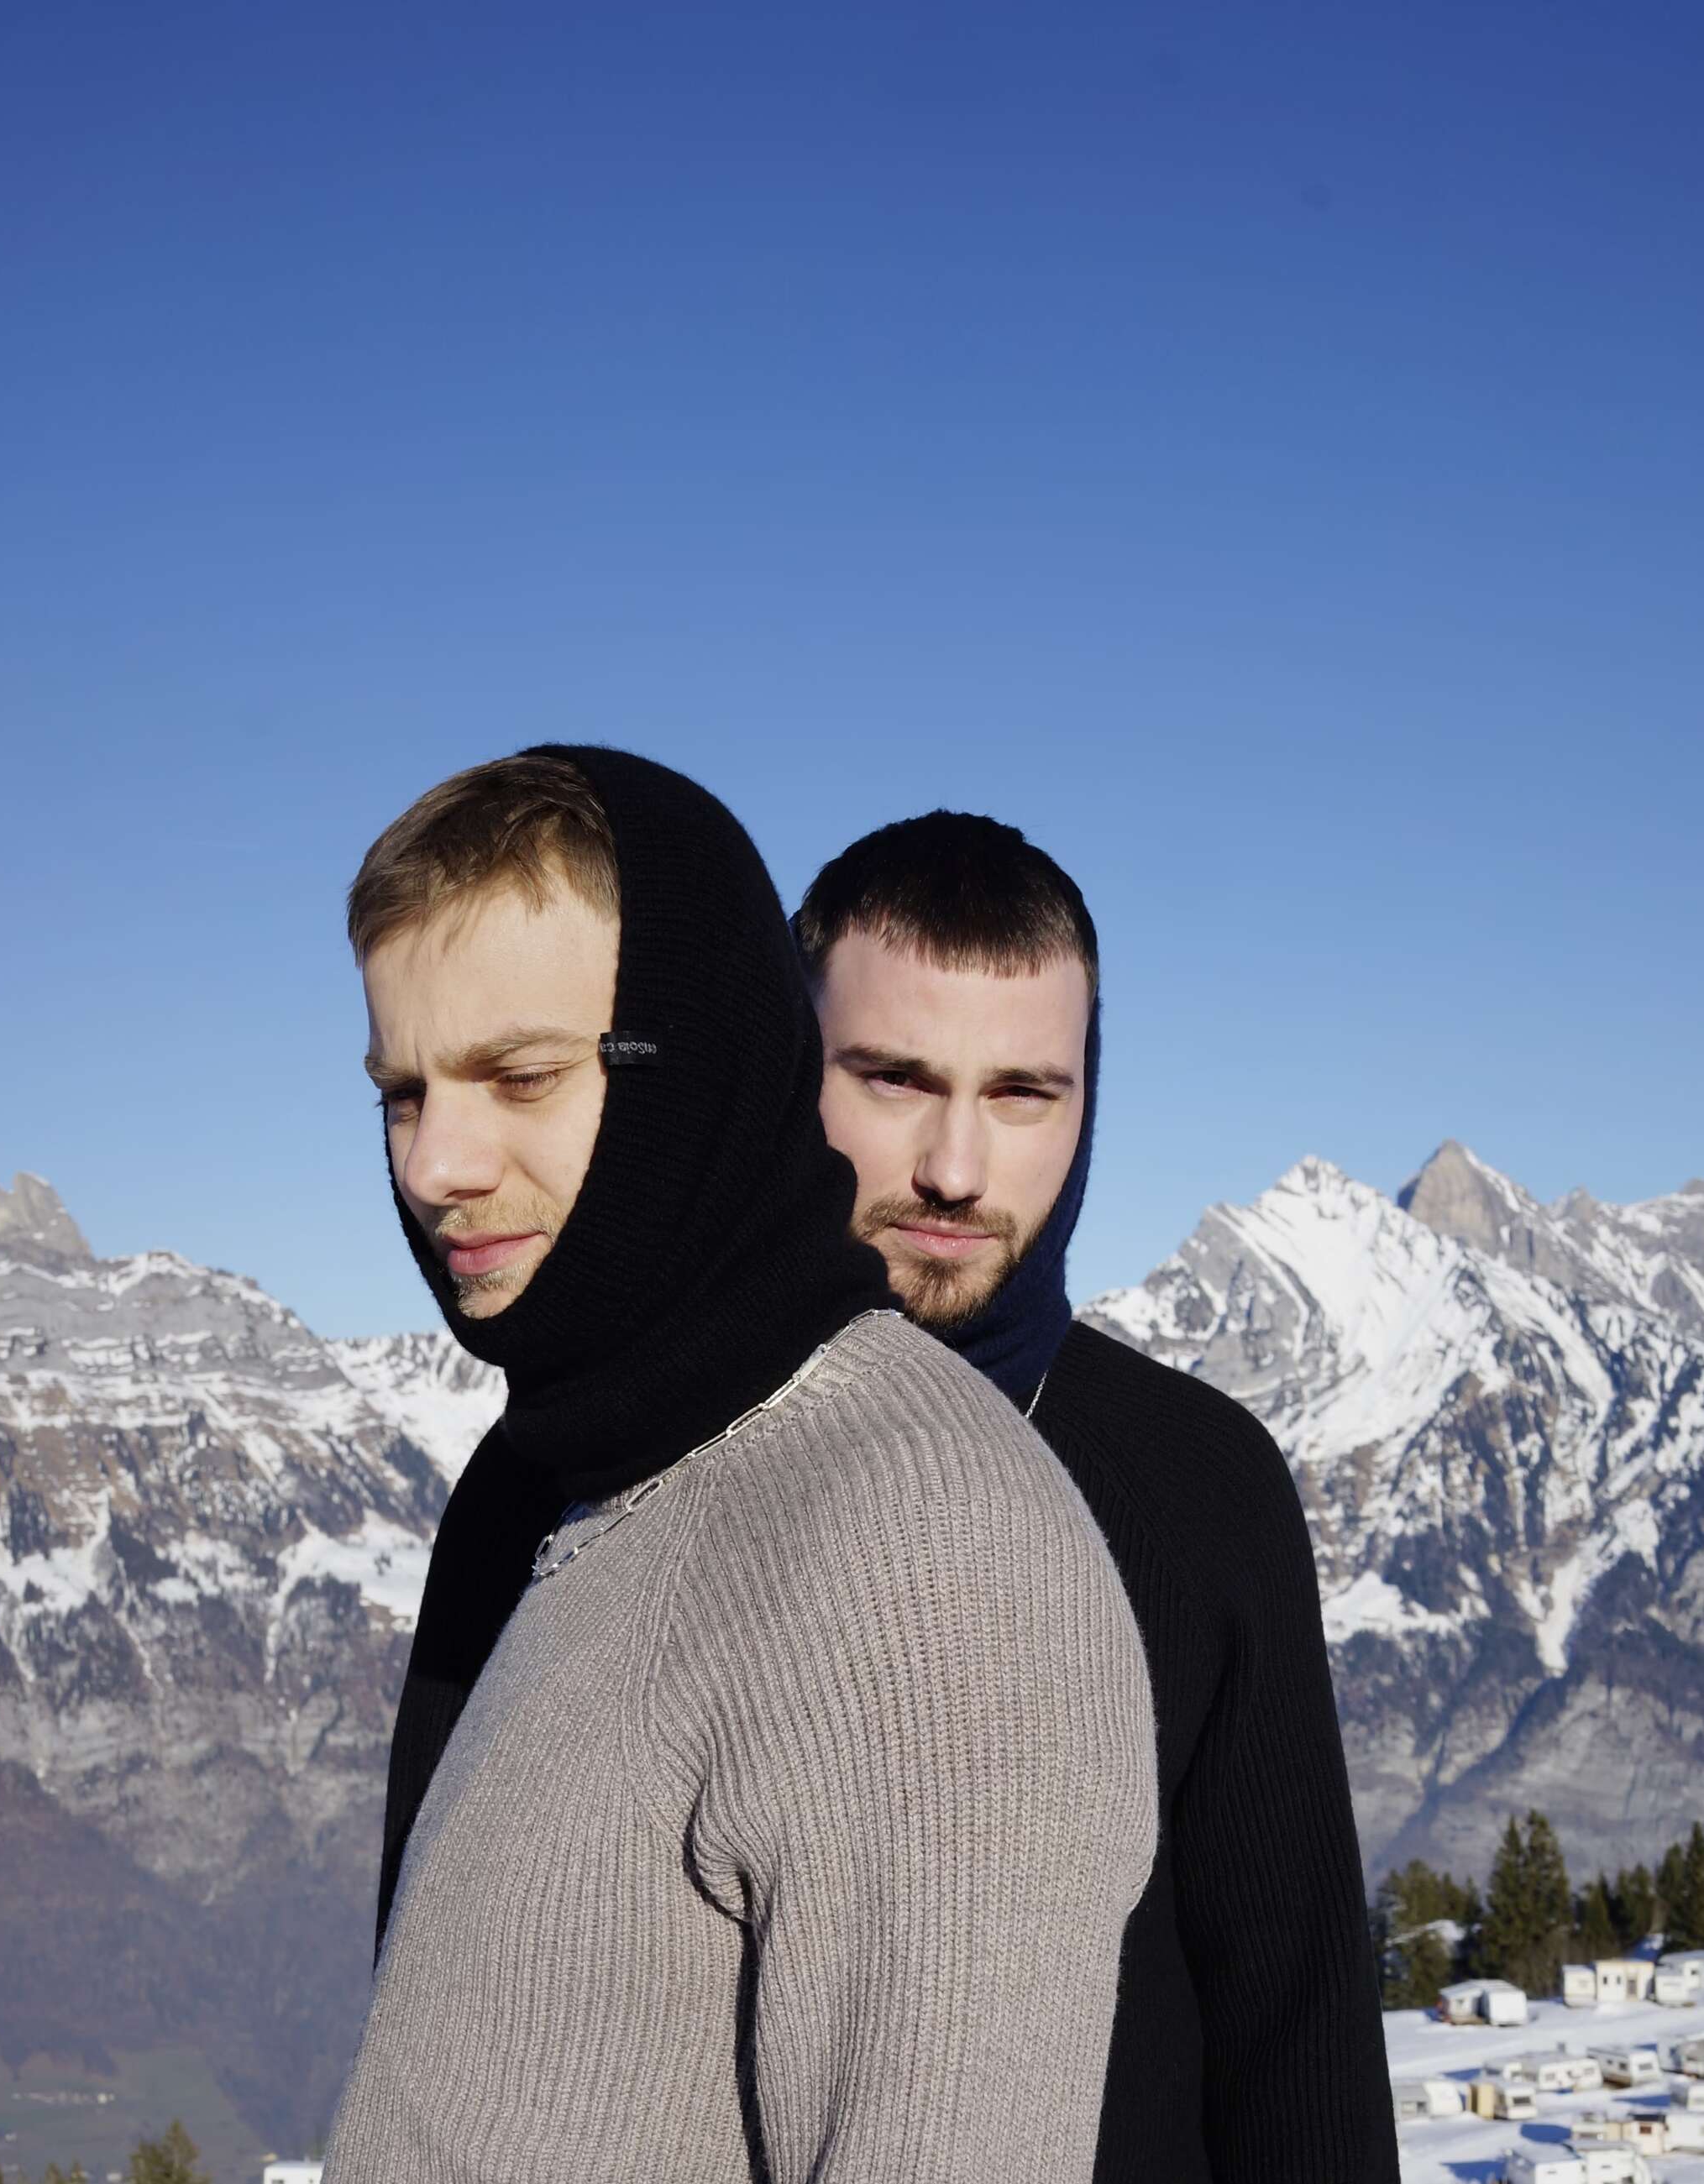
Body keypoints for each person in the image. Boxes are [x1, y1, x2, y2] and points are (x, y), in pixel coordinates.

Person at [328, 749, 1157, 2182]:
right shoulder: (574, 1476)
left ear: (695, 1059)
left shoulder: (917, 1546)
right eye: (404, 1090)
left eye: (518, 1075)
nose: (435, 1162)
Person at [795, 810, 1401, 2184]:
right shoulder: (627, 1471)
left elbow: (1298, 2042)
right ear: (792, 1072)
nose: (956, 1167)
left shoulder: (1201, 1489)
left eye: (1022, 1092)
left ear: (1091, 1097)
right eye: (893, 1078)